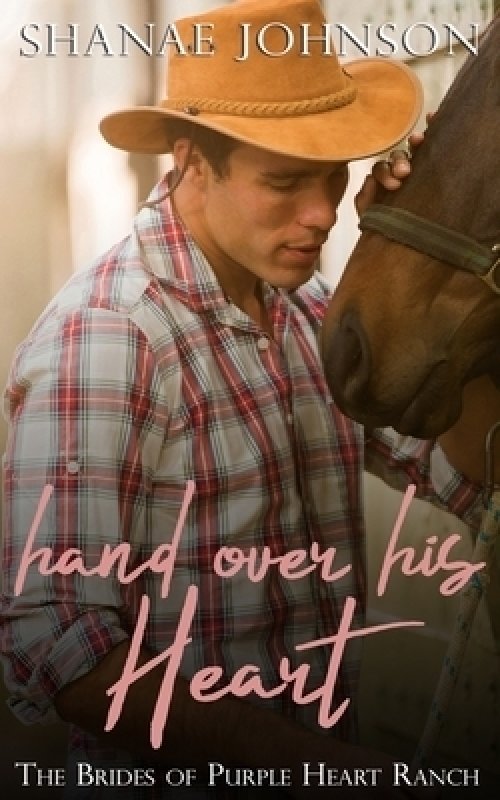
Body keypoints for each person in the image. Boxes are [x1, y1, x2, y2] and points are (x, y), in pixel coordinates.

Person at [1, 1, 495, 799]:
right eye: (284, 182)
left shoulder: (304, 314)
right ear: (193, 163)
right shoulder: (109, 335)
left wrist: (409, 252)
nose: (321, 213)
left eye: (332, 175)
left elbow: (466, 478)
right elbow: (57, 643)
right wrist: (317, 767)